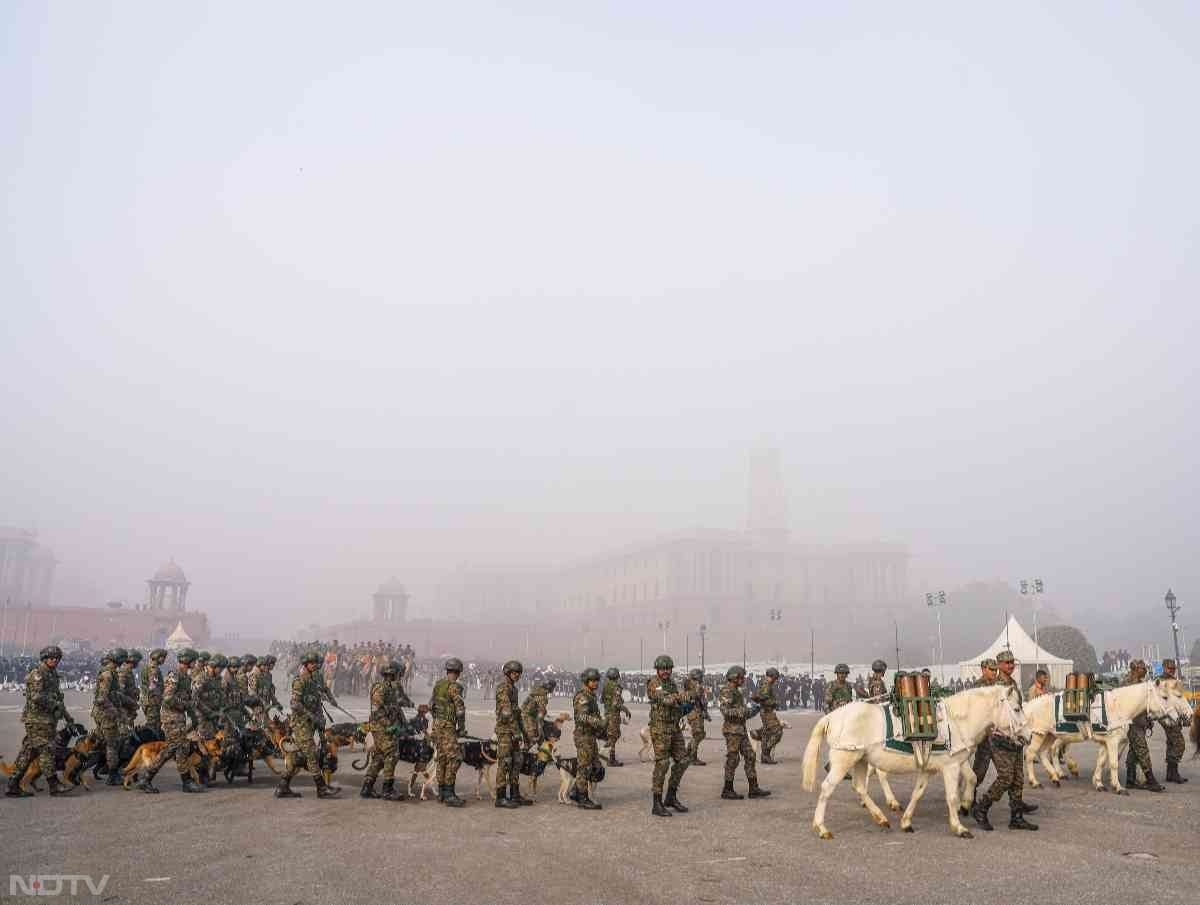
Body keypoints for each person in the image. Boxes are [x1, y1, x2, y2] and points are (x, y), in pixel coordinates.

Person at [973, 650, 1037, 831]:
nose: (1011, 665)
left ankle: (1016, 818)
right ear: (999, 665)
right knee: (1005, 778)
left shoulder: (1012, 683)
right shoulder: (996, 687)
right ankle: (981, 808)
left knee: (1018, 778)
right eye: (1007, 663)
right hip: (1000, 738)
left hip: (1015, 736)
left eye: (1012, 663)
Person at [6, 645, 81, 798]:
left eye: (57, 658)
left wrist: (69, 719)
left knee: (28, 752)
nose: (55, 661)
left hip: (47, 720)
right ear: (45, 658)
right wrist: (53, 705)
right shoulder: (38, 674)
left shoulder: (52, 674)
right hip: (37, 720)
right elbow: (36, 696)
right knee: (47, 750)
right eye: (52, 658)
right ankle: (54, 785)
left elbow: (58, 700)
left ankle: (13, 785)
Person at [138, 648, 206, 794]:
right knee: (177, 747)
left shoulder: (184, 676)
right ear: (188, 660)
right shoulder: (175, 675)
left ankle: (151, 778)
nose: (196, 663)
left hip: (177, 717)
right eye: (194, 660)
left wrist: (192, 713)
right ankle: (149, 778)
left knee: (176, 749)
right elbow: (168, 698)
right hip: (171, 717)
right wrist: (185, 705)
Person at [275, 650, 340, 799]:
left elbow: (320, 695)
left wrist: (327, 706)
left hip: (312, 723)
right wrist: (312, 716)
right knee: (311, 755)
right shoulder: (300, 680)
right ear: (306, 664)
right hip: (301, 725)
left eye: (316, 663)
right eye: (312, 663)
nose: (315, 665)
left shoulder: (314, 678)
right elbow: (295, 704)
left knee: (298, 758)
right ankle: (321, 788)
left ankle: (282, 787)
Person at [646, 654, 691, 817]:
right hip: (660, 728)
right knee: (663, 763)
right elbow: (665, 699)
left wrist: (685, 707)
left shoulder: (672, 683)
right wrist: (682, 697)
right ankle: (656, 803)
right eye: (662, 669)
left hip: (674, 727)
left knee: (684, 760)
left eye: (668, 668)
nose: (665, 671)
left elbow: (676, 703)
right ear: (657, 670)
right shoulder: (654, 684)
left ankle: (671, 796)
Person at [362, 659, 412, 801]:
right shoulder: (381, 688)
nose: (400, 676)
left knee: (379, 758)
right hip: (383, 728)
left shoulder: (390, 687)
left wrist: (407, 704)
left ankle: (367, 787)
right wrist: (388, 725)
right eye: (399, 674)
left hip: (387, 727)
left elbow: (394, 704)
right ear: (392, 674)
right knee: (392, 755)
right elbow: (376, 711)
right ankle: (387, 789)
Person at [719, 665, 770, 800]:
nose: (743, 679)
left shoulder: (736, 691)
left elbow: (742, 713)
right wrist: (745, 711)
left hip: (740, 730)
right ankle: (727, 789)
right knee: (733, 758)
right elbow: (725, 711)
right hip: (732, 731)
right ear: (735, 677)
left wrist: (753, 710)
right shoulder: (727, 690)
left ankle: (753, 788)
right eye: (741, 677)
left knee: (750, 755)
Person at [1122, 659, 1165, 792]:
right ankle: (1150, 780)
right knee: (1142, 750)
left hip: (1140, 722)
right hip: (1132, 723)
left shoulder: (1141, 684)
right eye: (1143, 668)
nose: (1145, 670)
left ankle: (1130, 780)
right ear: (1135, 669)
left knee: (1134, 751)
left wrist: (1148, 720)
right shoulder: (1127, 683)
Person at [430, 657, 467, 807]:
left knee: (442, 758)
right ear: (458, 672)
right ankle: (449, 793)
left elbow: (431, 704)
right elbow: (460, 709)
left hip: (437, 725)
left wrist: (437, 721)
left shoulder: (439, 684)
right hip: (447, 726)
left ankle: (441, 792)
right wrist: (462, 728)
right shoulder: (454, 686)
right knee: (455, 757)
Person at [494, 659, 531, 808]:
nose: (517, 675)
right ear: (507, 673)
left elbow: (517, 714)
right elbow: (507, 712)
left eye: (518, 673)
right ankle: (501, 797)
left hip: (514, 731)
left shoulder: (513, 689)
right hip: (505, 731)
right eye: (514, 673)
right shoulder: (503, 688)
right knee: (505, 763)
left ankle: (515, 794)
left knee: (517, 762)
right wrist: (516, 732)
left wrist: (524, 733)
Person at [91, 648, 127, 786]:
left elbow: (113, 694)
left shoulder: (110, 672)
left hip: (103, 713)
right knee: (112, 743)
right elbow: (101, 698)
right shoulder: (108, 674)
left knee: (100, 742)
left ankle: (81, 766)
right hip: (106, 714)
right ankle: (112, 775)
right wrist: (115, 712)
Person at [572, 667, 607, 810]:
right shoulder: (582, 696)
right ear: (586, 681)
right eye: (592, 680)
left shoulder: (591, 695)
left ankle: (575, 791)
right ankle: (582, 798)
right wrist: (599, 722)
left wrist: (602, 731)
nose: (595, 683)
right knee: (584, 767)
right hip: (583, 736)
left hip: (590, 736)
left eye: (596, 681)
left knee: (596, 768)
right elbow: (582, 716)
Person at [970, 658, 999, 795]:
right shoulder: (977, 687)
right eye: (991, 669)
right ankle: (969, 797)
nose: (994, 672)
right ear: (983, 669)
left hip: (999, 735)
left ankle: (1016, 803)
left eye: (995, 669)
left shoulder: (998, 686)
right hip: (985, 736)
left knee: (1007, 772)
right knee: (980, 770)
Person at [1160, 659, 1188, 784]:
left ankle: (1170, 773)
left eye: (1173, 669)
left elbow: (1182, 701)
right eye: (1169, 668)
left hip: (1177, 717)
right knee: (1179, 744)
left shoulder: (1177, 682)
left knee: (1172, 744)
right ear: (1164, 668)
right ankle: (1173, 773)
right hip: (1167, 717)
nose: (1171, 670)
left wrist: (1186, 716)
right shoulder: (1159, 682)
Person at [751, 667, 784, 764]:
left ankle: (765, 756)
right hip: (767, 711)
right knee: (777, 731)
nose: (776, 680)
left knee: (767, 732)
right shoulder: (766, 684)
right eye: (775, 678)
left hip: (766, 711)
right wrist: (774, 703)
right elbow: (763, 698)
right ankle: (764, 750)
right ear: (772, 676)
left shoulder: (764, 683)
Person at [601, 667, 630, 767]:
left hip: (607, 712)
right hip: (614, 714)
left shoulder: (605, 686)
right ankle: (611, 759)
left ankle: (608, 745)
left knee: (614, 734)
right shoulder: (617, 687)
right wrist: (625, 709)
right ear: (617, 676)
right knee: (614, 735)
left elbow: (602, 700)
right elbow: (616, 703)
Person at [684, 668, 709, 765]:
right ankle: (692, 757)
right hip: (696, 713)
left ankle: (687, 754)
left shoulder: (688, 685)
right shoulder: (697, 686)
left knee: (698, 735)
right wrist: (705, 712)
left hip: (692, 713)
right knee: (698, 735)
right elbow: (701, 700)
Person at [140, 648, 167, 735]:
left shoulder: (148, 666)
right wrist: (163, 696)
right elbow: (153, 687)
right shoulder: (153, 669)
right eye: (163, 657)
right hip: (152, 702)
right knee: (152, 727)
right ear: (158, 657)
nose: (164, 660)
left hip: (149, 701)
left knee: (155, 725)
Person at [521, 679, 554, 745]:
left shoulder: (536, 691)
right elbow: (541, 711)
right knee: (533, 735)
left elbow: (524, 704)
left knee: (537, 735)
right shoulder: (542, 695)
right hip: (529, 716)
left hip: (526, 714)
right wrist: (540, 725)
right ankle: (525, 749)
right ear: (550, 687)